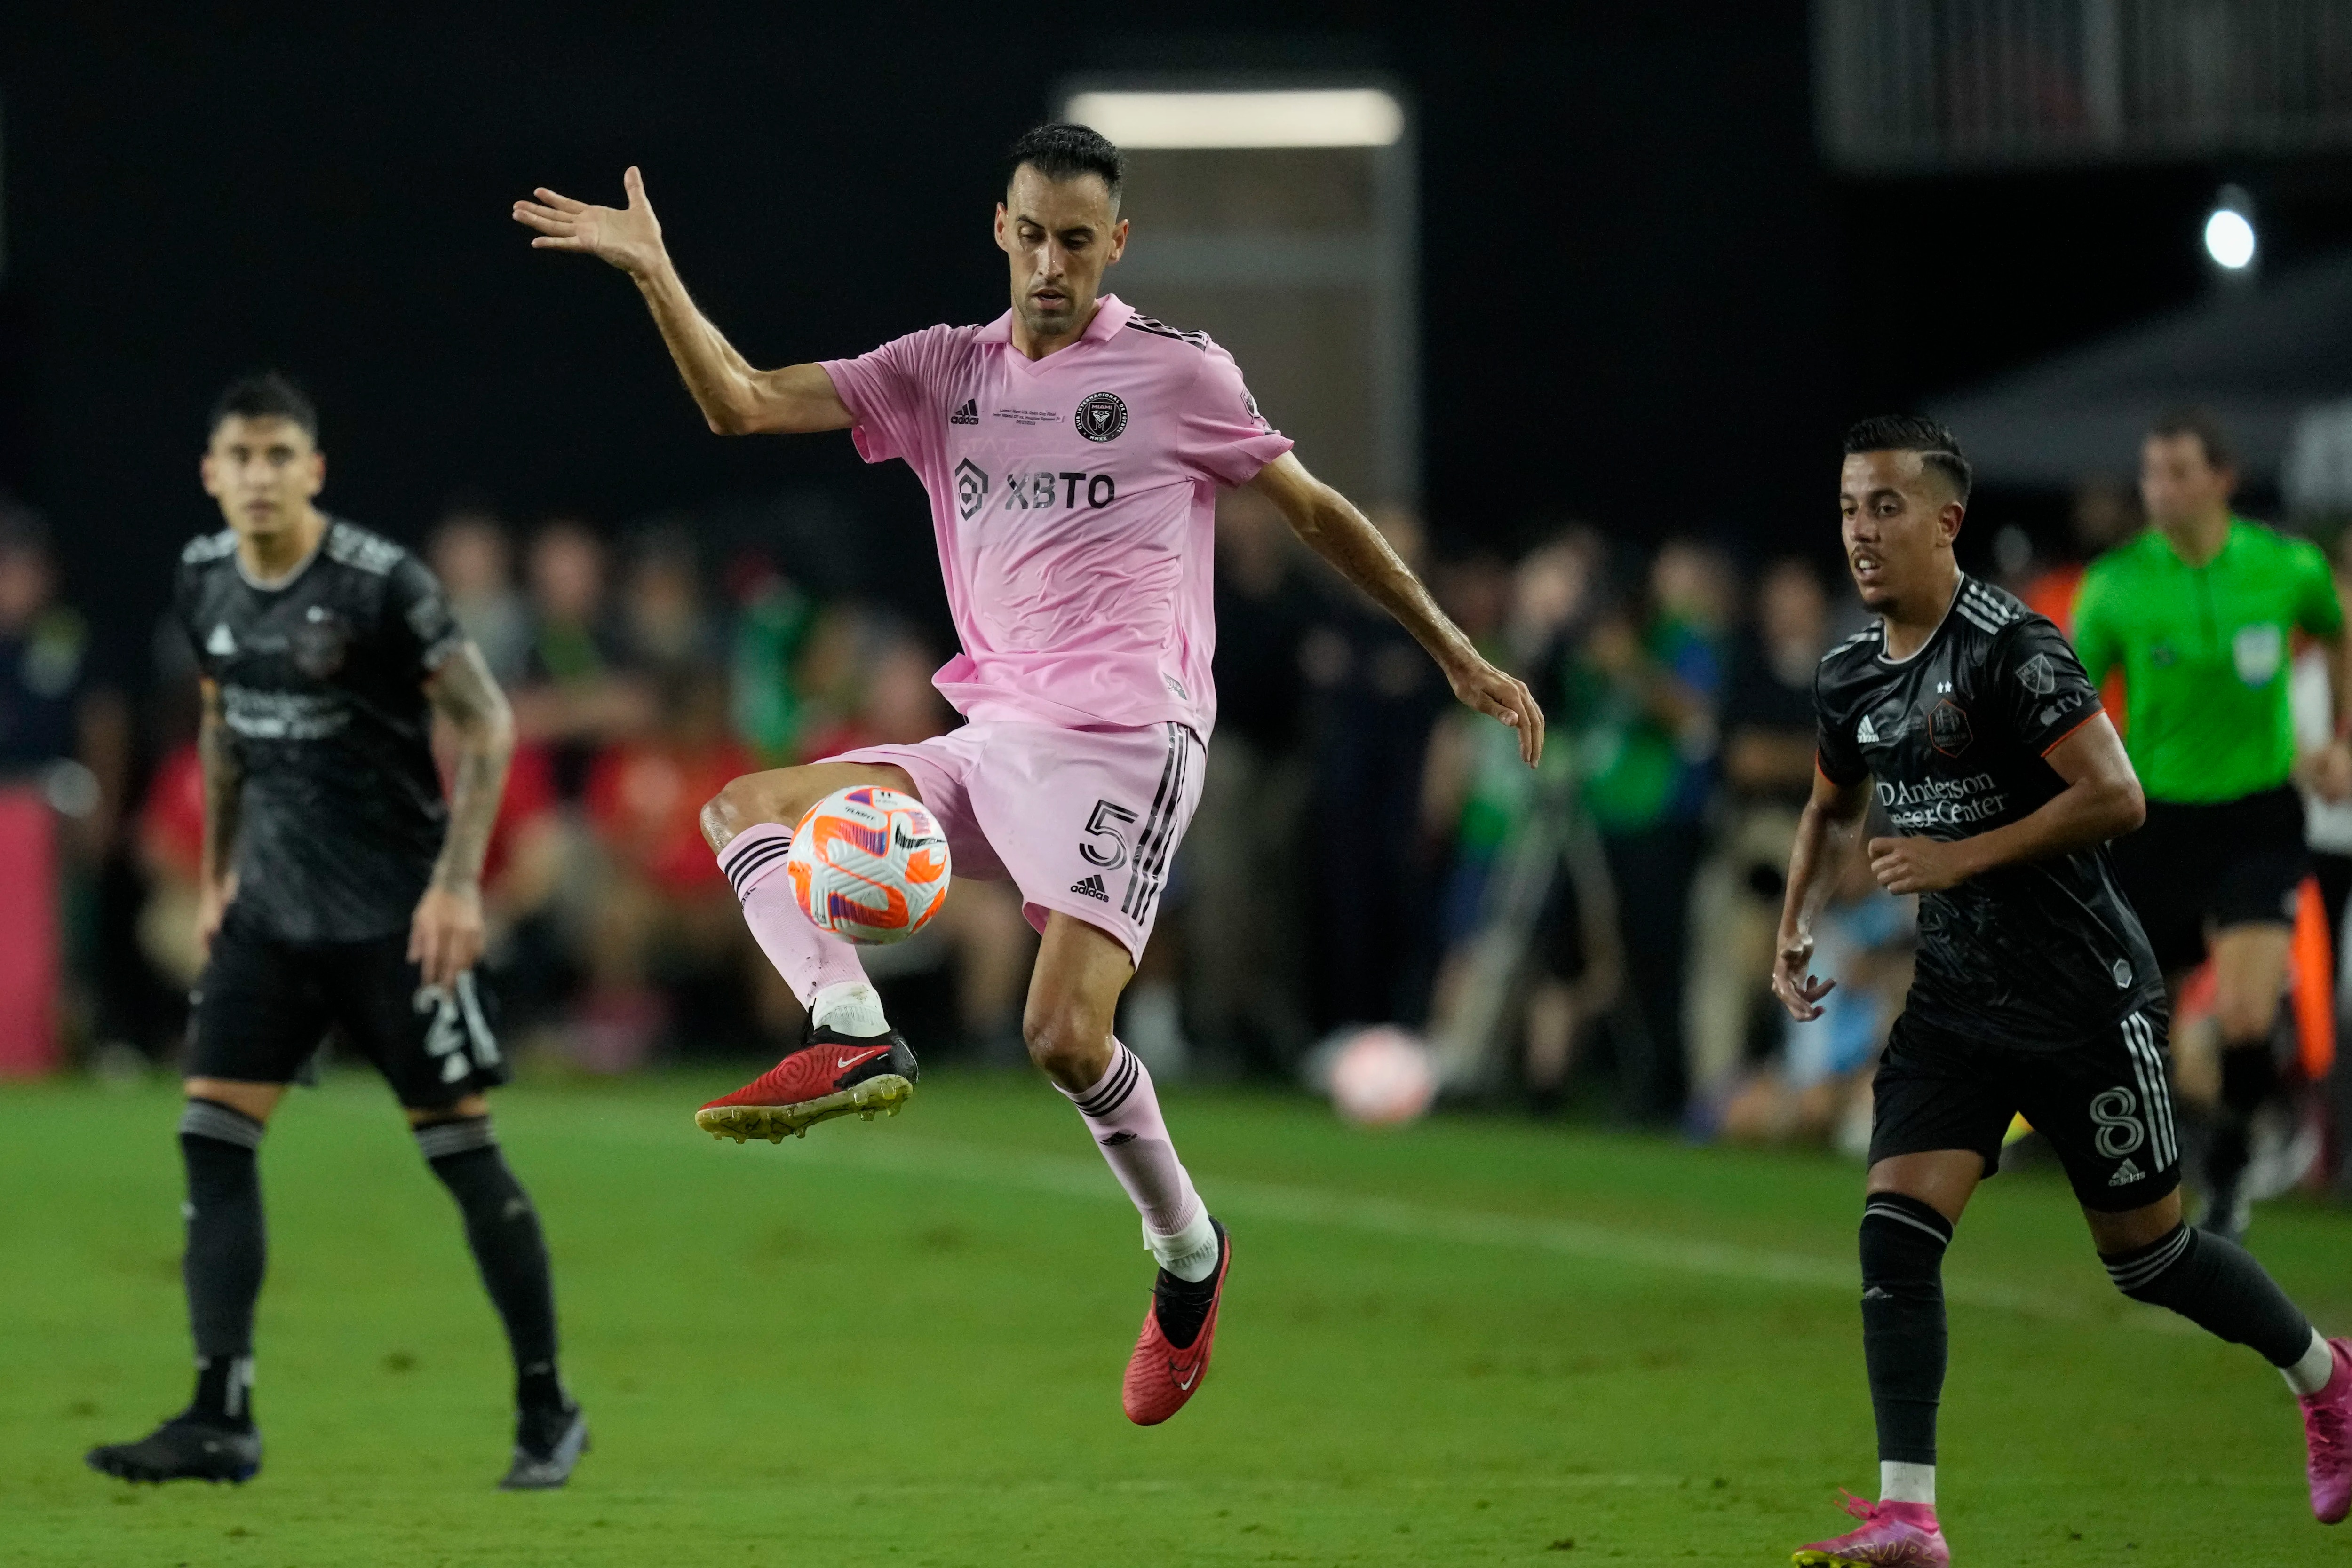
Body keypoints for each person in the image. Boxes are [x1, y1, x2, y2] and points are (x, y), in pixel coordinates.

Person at [514, 123, 1543, 1425]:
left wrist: (1454, 647)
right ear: (997, 228)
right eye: (1031, 233)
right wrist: (658, 273)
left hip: (1129, 738)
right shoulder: (942, 371)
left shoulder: (1178, 373)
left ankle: (1188, 1253)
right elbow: (739, 401)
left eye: (1077, 239)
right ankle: (850, 1029)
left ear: (1114, 245)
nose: (1050, 262)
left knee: (1062, 1035)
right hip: (991, 730)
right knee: (744, 807)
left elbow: (1318, 508)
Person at [1774, 417, 2349, 1564]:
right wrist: (1794, 919)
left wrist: (1956, 857)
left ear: (1946, 520)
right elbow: (1833, 800)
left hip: (2084, 997)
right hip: (1954, 1008)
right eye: (1847, 508)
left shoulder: (2012, 648)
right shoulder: (1850, 671)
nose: (1859, 532)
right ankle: (1908, 1514)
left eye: (1884, 506)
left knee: (2149, 1256)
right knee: (1893, 1232)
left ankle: (2328, 1381)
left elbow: (2117, 795)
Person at [86, 374, 585, 1490]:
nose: (258, 476)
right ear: (210, 472)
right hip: (270, 919)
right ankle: (221, 1413)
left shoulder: (378, 585)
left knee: (462, 1155)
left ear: (313, 469)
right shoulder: (203, 576)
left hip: (394, 925)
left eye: (279, 456)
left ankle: (547, 1401)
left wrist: (457, 888)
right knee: (212, 1139)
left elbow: (490, 725)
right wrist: (217, 871)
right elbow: (223, 725)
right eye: (239, 457)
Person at [2073, 409, 2352, 1239]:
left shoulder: (2286, 568)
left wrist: (2339, 737)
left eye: (2179, 472)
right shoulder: (2116, 583)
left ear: (2223, 478)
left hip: (2257, 816)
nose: (2161, 489)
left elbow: (2340, 638)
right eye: (2152, 474)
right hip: (2155, 822)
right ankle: (2177, 1153)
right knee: (2131, 1024)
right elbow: (2073, 701)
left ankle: (2230, 1178)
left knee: (2244, 1014)